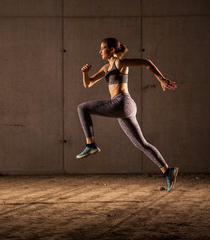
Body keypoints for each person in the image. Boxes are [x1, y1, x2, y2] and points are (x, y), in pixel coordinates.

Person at [76, 37, 178, 192]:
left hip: (121, 102)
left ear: (111, 50)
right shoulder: (106, 67)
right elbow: (88, 83)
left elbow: (146, 62)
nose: (99, 51)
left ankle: (91, 145)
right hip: (124, 108)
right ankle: (167, 170)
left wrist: (161, 79)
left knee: (82, 108)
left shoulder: (119, 63)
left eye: (102, 48)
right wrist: (85, 73)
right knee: (141, 144)